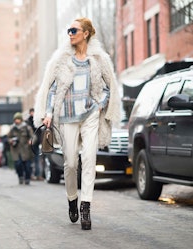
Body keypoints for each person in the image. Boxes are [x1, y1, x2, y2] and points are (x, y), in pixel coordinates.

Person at [33, 18, 120, 230]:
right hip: (67, 116)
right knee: (71, 163)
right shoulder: (62, 59)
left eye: (74, 30)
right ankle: (72, 198)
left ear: (86, 33)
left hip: (90, 115)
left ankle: (86, 207)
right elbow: (52, 88)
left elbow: (109, 86)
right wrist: (48, 113)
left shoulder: (99, 59)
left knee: (89, 160)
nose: (70, 33)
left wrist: (100, 104)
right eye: (69, 30)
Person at [8, 112, 34, 185]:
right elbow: (8, 137)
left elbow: (33, 137)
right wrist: (11, 141)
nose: (17, 121)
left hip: (26, 149)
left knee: (27, 165)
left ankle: (27, 178)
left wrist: (30, 141)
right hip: (16, 150)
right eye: (15, 119)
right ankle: (20, 176)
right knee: (18, 164)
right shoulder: (12, 128)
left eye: (18, 119)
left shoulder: (27, 127)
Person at [25, 108, 43, 181]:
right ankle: (31, 175)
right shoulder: (28, 121)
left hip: (37, 142)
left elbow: (40, 131)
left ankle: (38, 175)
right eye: (32, 112)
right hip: (30, 143)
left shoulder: (38, 121)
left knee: (37, 159)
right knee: (30, 160)